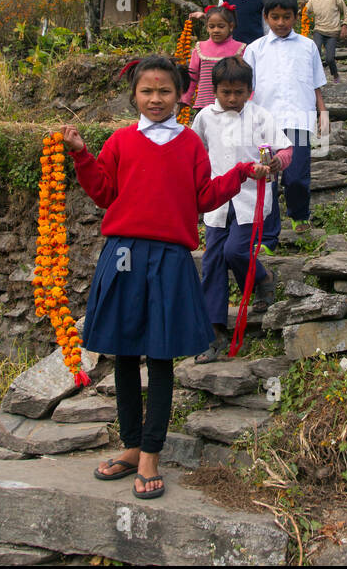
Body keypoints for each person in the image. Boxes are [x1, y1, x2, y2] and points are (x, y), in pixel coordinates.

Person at [61, 55, 270, 498]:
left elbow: (203, 197)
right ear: (134, 95)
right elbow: (102, 192)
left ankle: (152, 452)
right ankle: (132, 446)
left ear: (182, 95)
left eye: (165, 91)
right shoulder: (120, 141)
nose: (156, 99)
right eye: (147, 91)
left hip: (171, 257)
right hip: (123, 255)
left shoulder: (191, 145)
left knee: (159, 358)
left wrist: (239, 173)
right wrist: (82, 154)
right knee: (122, 354)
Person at [191, 56, 293, 363]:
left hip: (251, 198)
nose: (233, 98)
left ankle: (261, 277)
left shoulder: (260, 116)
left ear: (250, 90)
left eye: (239, 92)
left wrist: (278, 162)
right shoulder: (205, 117)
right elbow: (194, 151)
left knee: (235, 252)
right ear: (215, 90)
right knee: (211, 263)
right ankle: (215, 331)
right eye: (226, 92)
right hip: (217, 199)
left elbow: (285, 149)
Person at [244, 0, 329, 241]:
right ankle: (269, 236)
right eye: (275, 17)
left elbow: (315, 83)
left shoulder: (308, 47)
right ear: (266, 17)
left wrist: (322, 112)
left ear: (295, 17)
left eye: (287, 17)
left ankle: (299, 213)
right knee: (268, 178)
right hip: (265, 124)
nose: (281, 23)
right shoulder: (255, 49)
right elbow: (247, 88)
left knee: (297, 176)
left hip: (299, 121)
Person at [181, 4, 245, 113]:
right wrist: (184, 100)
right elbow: (192, 77)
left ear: (231, 26)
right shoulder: (200, 48)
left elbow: (246, 79)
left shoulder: (240, 49)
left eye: (221, 26)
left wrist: (247, 100)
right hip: (204, 106)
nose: (216, 30)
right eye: (211, 26)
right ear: (207, 27)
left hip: (232, 106)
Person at [304, 0, 347, 84]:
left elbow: (346, 12)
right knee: (316, 53)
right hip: (319, 30)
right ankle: (316, 78)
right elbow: (305, 11)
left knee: (329, 58)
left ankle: (335, 74)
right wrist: (300, 14)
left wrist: (345, 25)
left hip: (333, 32)